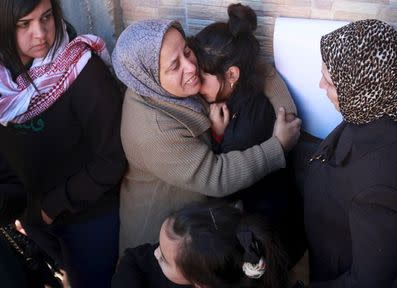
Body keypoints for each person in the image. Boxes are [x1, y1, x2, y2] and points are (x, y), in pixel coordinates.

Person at [112, 19, 301, 252]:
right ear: (150, 77)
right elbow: (217, 176)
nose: (191, 67)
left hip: (194, 232)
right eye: (174, 66)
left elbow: (248, 65)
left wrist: (287, 114)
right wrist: (278, 146)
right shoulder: (154, 130)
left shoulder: (162, 70)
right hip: (160, 246)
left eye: (188, 51)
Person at [303, 19, 397, 287]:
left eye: (330, 82)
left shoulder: (381, 185)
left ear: (364, 94)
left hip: (342, 259)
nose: (321, 86)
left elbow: (369, 280)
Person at [0, 0, 127, 287]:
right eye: (24, 24)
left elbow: (112, 158)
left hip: (90, 220)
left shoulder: (81, 68)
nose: (41, 33)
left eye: (46, 17)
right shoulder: (3, 84)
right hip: (33, 221)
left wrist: (50, 207)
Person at [189, 3, 306, 266]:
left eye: (201, 76)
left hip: (266, 239)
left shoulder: (249, 123)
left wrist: (217, 136)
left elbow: (222, 190)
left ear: (231, 74)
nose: (194, 82)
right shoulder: (239, 94)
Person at [112, 201, 289, 288]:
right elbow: (134, 260)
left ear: (200, 283)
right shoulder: (183, 254)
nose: (155, 253)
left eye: (164, 260)